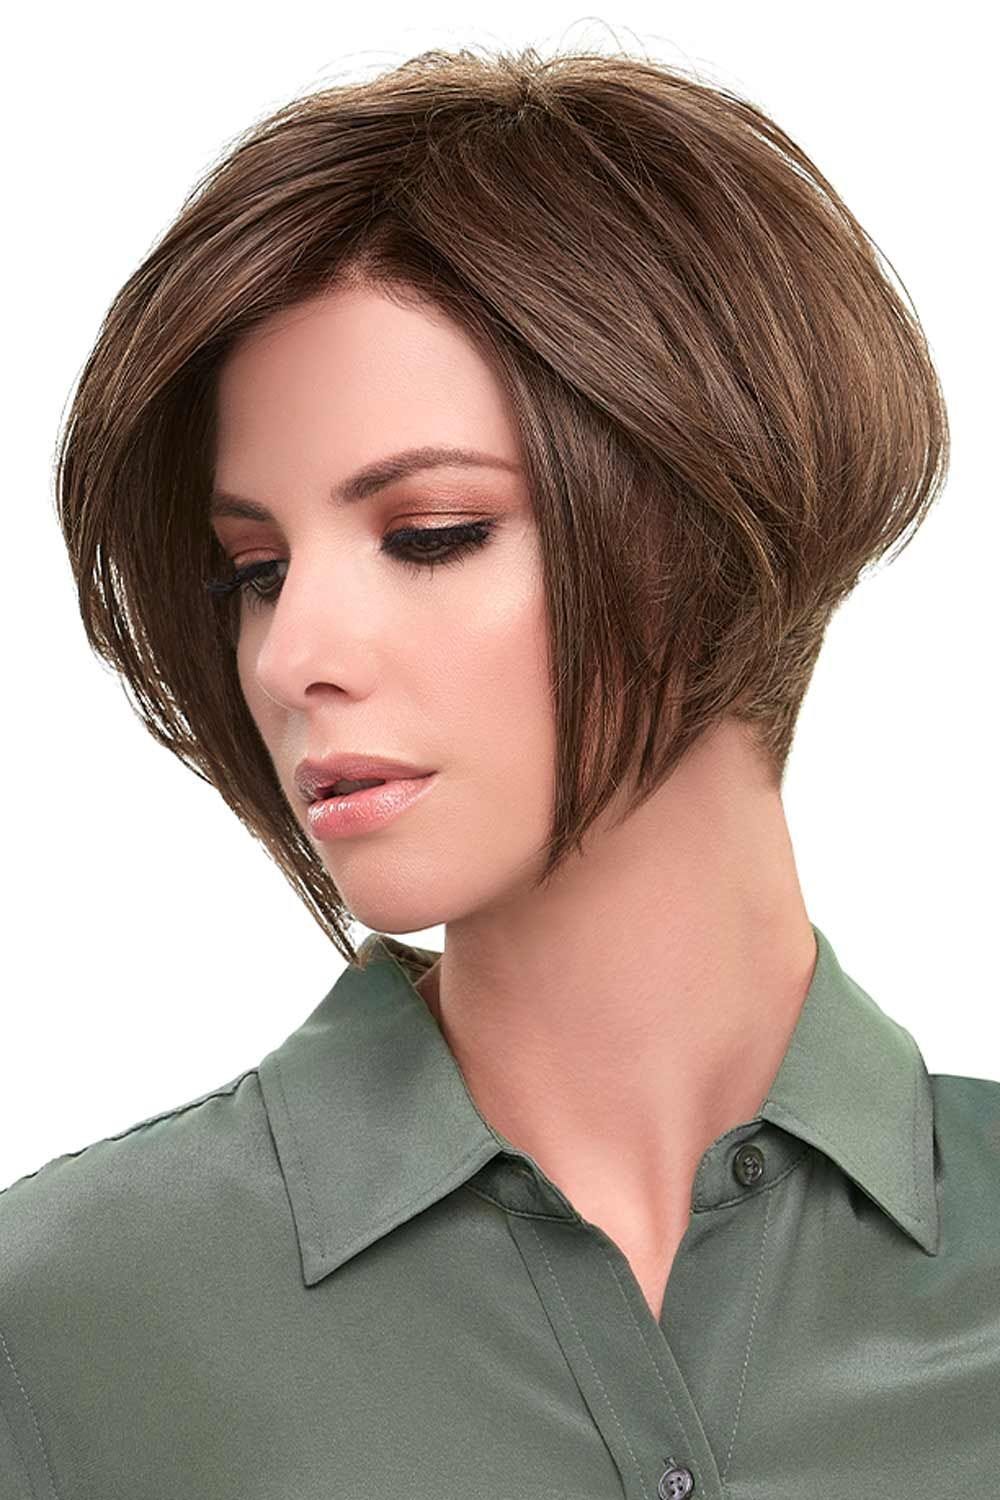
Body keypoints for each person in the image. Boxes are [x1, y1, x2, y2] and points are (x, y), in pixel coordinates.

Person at [2, 43, 997, 1499]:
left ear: (720, 527)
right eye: (255, 572)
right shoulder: (68, 1326)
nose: (289, 656)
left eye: (431, 535)